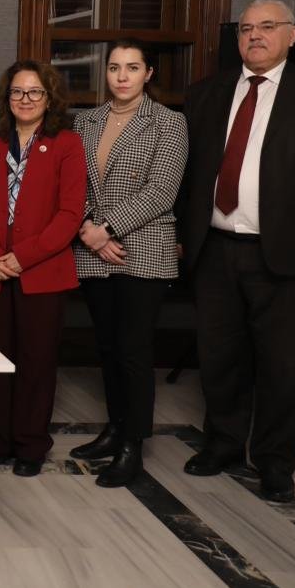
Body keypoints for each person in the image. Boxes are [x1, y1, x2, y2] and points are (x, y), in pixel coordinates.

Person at [178, 0, 295, 502]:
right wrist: (181, 235)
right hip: (215, 249)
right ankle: (223, 444)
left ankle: (275, 462)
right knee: (219, 357)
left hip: (290, 254)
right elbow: (192, 174)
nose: (255, 36)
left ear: (292, 34)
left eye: (267, 26)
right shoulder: (207, 93)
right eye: (246, 29)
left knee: (282, 365)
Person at [70, 40, 188, 487]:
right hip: (94, 250)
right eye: (115, 67)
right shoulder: (86, 121)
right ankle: (114, 428)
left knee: (134, 351)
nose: (122, 76)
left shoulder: (169, 123)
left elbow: (161, 192)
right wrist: (88, 229)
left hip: (143, 249)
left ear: (148, 74)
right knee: (106, 347)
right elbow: (74, 183)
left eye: (132, 67)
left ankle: (132, 446)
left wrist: (106, 229)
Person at [0, 61, 85, 477]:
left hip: (42, 272)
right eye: (17, 91)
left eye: (35, 92)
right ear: (7, 98)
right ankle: (1, 439)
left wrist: (23, 257)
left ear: (49, 98)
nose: (25, 99)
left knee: (36, 360)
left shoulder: (66, 143)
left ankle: (31, 443)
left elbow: (70, 214)